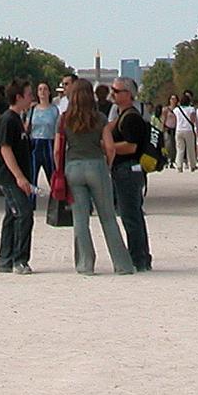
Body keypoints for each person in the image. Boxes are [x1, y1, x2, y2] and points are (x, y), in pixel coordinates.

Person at [56, 80, 132, 276]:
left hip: (73, 167)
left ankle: (85, 264)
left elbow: (57, 150)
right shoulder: (99, 118)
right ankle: (122, 264)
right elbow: (110, 147)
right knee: (107, 217)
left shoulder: (64, 119)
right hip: (96, 164)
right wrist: (107, 164)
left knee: (80, 218)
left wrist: (59, 169)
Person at [105, 80, 152, 273]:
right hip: (126, 170)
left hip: (128, 169)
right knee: (133, 214)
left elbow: (131, 146)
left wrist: (107, 147)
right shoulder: (122, 114)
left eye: (116, 91)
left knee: (130, 215)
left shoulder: (131, 117)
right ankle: (142, 256)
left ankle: (138, 258)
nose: (112, 93)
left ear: (128, 94)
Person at [0, 80, 35, 276]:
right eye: (28, 94)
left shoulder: (17, 119)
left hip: (15, 176)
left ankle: (5, 258)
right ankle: (19, 259)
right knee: (24, 214)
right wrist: (19, 177)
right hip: (11, 178)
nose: (31, 97)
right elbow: (5, 148)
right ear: (18, 97)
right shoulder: (8, 120)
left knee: (12, 215)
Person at [27, 80, 61, 193]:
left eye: (45, 89)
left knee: (52, 174)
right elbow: (27, 126)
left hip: (49, 142)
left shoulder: (54, 110)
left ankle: (56, 201)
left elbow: (58, 128)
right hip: (35, 143)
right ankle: (30, 202)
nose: (42, 92)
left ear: (49, 92)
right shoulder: (32, 109)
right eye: (40, 89)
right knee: (32, 174)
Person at [170, 95, 198, 172]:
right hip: (188, 130)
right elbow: (193, 120)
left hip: (179, 130)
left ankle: (179, 166)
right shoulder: (191, 109)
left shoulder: (177, 109)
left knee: (180, 149)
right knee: (190, 148)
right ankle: (192, 165)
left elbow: (174, 119)